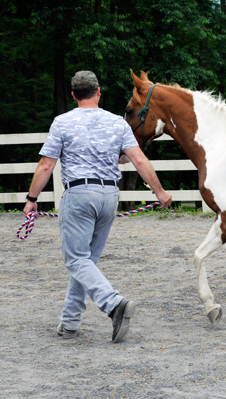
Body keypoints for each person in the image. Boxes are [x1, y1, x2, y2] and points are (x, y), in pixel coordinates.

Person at [23, 71, 172, 343]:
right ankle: (69, 323)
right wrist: (159, 191)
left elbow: (46, 165)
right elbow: (137, 160)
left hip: (79, 194)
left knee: (76, 259)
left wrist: (32, 199)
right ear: (98, 91)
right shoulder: (117, 123)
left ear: (73, 94)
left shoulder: (62, 122)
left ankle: (114, 304)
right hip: (108, 196)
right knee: (85, 261)